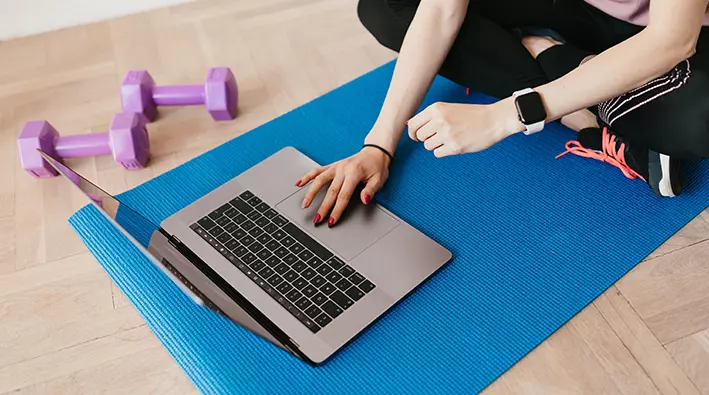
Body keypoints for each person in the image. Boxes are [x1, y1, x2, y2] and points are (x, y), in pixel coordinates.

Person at [296, 0, 709, 226]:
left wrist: (506, 115)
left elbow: (671, 41)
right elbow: (441, 9)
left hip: (680, 31)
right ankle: (583, 101)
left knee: (699, 121)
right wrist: (378, 146)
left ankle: (548, 56)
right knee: (388, 6)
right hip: (573, 8)